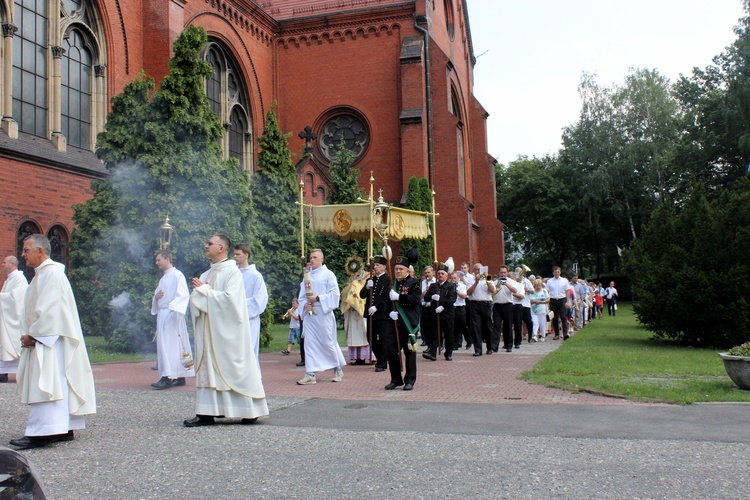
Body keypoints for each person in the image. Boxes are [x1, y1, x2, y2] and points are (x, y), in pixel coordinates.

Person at [10, 234, 96, 449]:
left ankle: (42, 432)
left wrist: (33, 335)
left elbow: (50, 311)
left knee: (47, 382)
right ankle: (63, 428)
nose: (23, 255)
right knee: (56, 382)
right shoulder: (42, 274)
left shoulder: (52, 274)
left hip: (49, 341)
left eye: (26, 249)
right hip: (47, 340)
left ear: (40, 251)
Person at [184, 234, 268, 427]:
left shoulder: (232, 273)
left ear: (221, 248)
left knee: (234, 369)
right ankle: (206, 412)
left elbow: (232, 302)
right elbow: (197, 300)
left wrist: (205, 292)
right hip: (208, 333)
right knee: (209, 369)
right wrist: (198, 296)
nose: (206, 246)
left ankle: (248, 410)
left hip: (226, 334)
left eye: (210, 243)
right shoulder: (206, 275)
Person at [295, 249, 346, 385]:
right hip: (310, 315)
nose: (312, 260)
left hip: (323, 313)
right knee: (309, 343)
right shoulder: (307, 276)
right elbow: (301, 296)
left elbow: (335, 295)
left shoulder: (329, 275)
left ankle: (337, 369)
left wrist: (317, 298)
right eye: (311, 258)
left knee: (327, 342)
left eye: (315, 257)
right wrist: (305, 305)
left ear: (322, 259)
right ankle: (310, 374)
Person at [150, 250, 194, 390]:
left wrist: (173, 310)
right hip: (164, 314)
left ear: (167, 259)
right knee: (169, 346)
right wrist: (156, 298)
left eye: (159, 260)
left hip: (172, 314)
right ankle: (179, 376)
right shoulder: (164, 278)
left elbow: (183, 295)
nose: (157, 263)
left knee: (170, 346)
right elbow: (157, 295)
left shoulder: (177, 275)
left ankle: (167, 377)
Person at [385, 254, 420, 390]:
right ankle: (396, 379)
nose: (398, 271)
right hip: (394, 323)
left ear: (407, 270)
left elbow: (415, 300)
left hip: (408, 323)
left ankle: (410, 380)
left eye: (401, 269)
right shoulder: (392, 284)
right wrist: (389, 312)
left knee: (409, 352)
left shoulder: (415, 282)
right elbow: (386, 302)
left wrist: (399, 297)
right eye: (396, 269)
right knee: (391, 350)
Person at [233, 243, 269, 372]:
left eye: (238, 254)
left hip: (249, 318)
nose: (235, 257)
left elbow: (260, 299)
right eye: (234, 254)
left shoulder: (255, 275)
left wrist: (238, 304)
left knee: (248, 350)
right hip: (233, 318)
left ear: (246, 255)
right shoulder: (232, 274)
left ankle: (252, 379)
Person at [360, 255, 391, 371]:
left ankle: (383, 363)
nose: (375, 267)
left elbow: (386, 298)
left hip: (381, 314)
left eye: (378, 265)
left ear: (383, 267)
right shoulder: (370, 280)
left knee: (382, 338)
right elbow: (361, 295)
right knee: (370, 338)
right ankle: (379, 358)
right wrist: (367, 288)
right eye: (374, 265)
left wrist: (377, 307)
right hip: (371, 315)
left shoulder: (387, 280)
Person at [1, 256, 28, 383]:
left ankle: (17, 372)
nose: (2, 264)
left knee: (13, 344)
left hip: (14, 321)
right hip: (6, 319)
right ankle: (3, 372)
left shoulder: (19, 279)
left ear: (12, 264)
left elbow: (16, 299)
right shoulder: (9, 280)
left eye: (4, 262)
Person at [424, 263, 457, 360]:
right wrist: (431, 297)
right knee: (434, 334)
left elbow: (452, 299)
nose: (440, 275)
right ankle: (432, 353)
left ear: (447, 275)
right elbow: (426, 298)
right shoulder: (433, 286)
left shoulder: (451, 286)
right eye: (438, 273)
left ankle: (449, 352)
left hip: (447, 314)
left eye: (442, 273)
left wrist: (443, 307)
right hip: (435, 314)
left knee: (448, 334)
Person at [340, 266, 372, 365]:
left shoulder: (367, 277)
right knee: (354, 335)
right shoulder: (351, 281)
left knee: (365, 333)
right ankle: (358, 357)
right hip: (352, 311)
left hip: (362, 310)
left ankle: (370, 357)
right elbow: (345, 292)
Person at [466, 263, 495, 356]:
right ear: (474, 271)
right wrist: (476, 282)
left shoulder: (489, 277)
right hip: (474, 304)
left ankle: (490, 347)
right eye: (476, 270)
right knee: (475, 327)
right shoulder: (471, 279)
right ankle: (478, 349)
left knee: (488, 326)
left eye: (480, 270)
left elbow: (492, 290)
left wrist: (487, 280)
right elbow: (468, 292)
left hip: (486, 304)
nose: (478, 271)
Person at [494, 266, 519, 351]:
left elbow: (515, 290)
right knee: (496, 326)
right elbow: (492, 291)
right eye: (501, 272)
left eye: (504, 272)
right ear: (498, 273)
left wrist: (506, 284)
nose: (503, 274)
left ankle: (508, 345)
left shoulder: (511, 281)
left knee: (507, 326)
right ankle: (495, 346)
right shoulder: (495, 282)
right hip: (497, 305)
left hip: (507, 305)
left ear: (507, 273)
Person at [546, 266, 571, 340]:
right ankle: (557, 334)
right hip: (553, 300)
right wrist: (548, 302)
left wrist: (567, 301)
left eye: (558, 272)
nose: (556, 273)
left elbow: (567, 291)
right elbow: (547, 292)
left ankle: (565, 333)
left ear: (560, 272)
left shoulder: (564, 280)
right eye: (555, 272)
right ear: (553, 272)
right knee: (554, 318)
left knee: (563, 317)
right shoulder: (549, 281)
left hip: (562, 299)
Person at [451, 272, 470, 350]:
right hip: (452, 307)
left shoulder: (462, 286)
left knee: (463, 325)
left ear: (458, 278)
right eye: (452, 278)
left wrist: (456, 291)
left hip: (460, 307)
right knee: (454, 326)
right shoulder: (449, 286)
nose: (453, 280)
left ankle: (469, 340)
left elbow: (464, 296)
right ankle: (456, 343)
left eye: (454, 278)